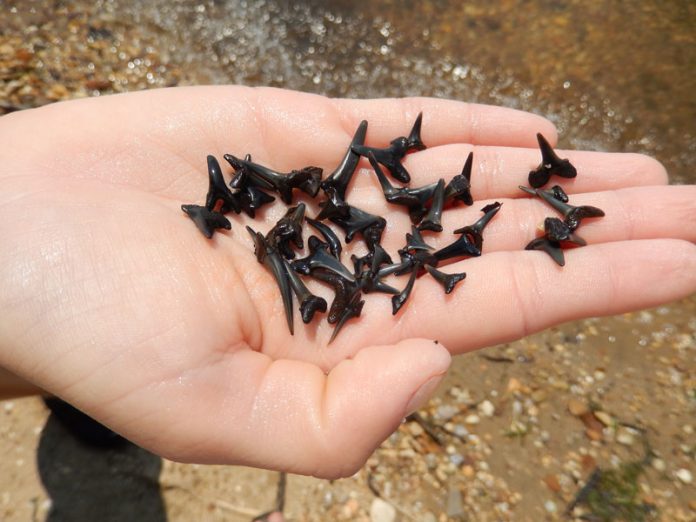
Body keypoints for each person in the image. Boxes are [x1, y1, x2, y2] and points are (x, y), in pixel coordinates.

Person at [0, 86, 694, 480]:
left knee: (76, 373)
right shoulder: (297, 222)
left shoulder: (328, 223)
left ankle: (76, 401)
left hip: (347, 248)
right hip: (338, 248)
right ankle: (79, 402)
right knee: (78, 376)